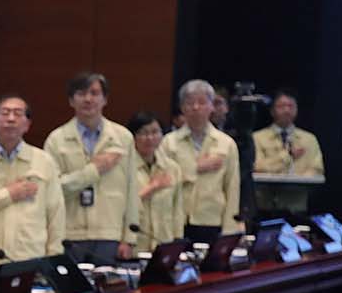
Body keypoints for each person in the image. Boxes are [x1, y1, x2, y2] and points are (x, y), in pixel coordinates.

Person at [42, 72, 139, 264]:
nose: (88, 99)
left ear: (105, 100)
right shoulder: (56, 139)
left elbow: (132, 189)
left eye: (94, 93)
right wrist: (92, 171)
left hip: (109, 235)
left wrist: (130, 238)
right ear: (71, 100)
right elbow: (52, 190)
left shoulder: (123, 137)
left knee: (110, 292)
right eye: (81, 93)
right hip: (69, 235)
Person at [0, 95, 64, 267]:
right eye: (5, 113)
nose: (11, 119)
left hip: (30, 257)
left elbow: (55, 213)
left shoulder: (44, 161)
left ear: (27, 125)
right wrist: (8, 194)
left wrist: (54, 256)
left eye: (18, 114)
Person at [161, 79, 242, 239]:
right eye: (190, 103)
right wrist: (196, 168)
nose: (196, 107)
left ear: (212, 106)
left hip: (212, 221)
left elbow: (232, 188)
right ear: (182, 108)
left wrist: (230, 229)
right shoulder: (168, 142)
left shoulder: (226, 144)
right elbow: (164, 181)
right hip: (176, 221)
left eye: (202, 102)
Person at [252, 89, 324, 214]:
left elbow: (317, 169)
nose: (286, 110)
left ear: (296, 110)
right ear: (272, 110)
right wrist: (286, 156)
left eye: (291, 106)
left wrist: (297, 181)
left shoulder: (309, 139)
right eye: (281, 106)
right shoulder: (257, 138)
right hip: (265, 205)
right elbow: (257, 167)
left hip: (296, 205)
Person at [129, 112, 183, 252]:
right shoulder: (124, 167)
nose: (150, 138)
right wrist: (152, 187)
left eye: (155, 132)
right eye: (143, 133)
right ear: (133, 136)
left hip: (163, 243)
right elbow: (121, 208)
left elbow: (177, 210)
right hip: (135, 245)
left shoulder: (172, 168)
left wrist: (177, 242)